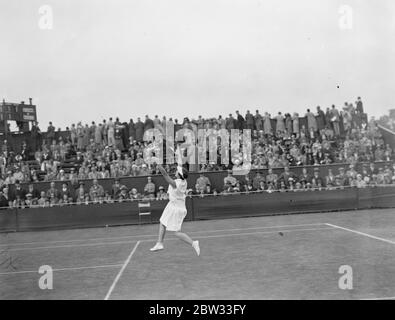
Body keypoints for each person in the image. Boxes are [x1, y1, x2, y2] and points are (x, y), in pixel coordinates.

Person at [150, 148, 200, 255]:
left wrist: (157, 162)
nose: (176, 170)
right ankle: (159, 243)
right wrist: (178, 153)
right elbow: (180, 164)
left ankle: (193, 243)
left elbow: (164, 174)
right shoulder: (183, 180)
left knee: (177, 232)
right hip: (172, 205)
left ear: (179, 174)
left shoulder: (176, 183)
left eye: (177, 171)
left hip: (177, 208)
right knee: (163, 222)